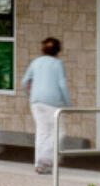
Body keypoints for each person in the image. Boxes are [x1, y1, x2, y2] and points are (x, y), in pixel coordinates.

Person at [20, 36, 70, 174]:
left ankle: (40, 163)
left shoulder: (35, 62)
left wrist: (30, 95)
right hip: (53, 103)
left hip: (36, 102)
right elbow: (62, 85)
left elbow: (24, 82)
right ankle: (48, 159)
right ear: (57, 50)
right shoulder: (58, 64)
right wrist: (68, 103)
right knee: (59, 132)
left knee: (42, 132)